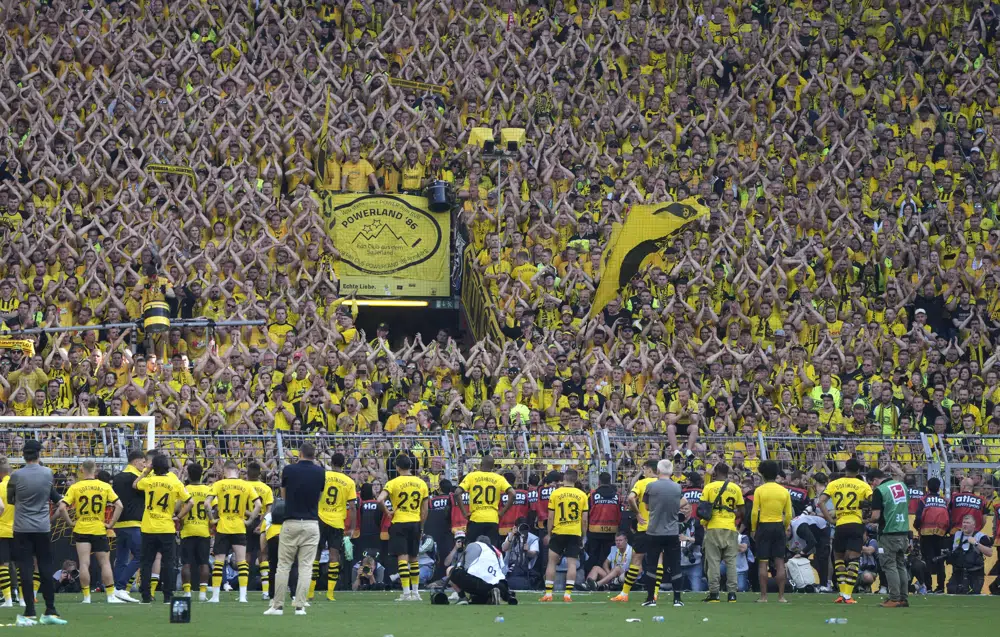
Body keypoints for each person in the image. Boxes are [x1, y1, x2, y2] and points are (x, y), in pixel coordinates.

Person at [7, 440, 65, 626]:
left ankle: (29, 611)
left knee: (25, 568)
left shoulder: (16, 476)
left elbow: (10, 500)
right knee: (46, 567)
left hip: (22, 528)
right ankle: (50, 609)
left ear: (24, 455)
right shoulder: (48, 473)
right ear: (39, 454)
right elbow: (53, 495)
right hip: (42, 527)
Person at [57, 460, 132, 604]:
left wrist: (70, 522)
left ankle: (86, 597)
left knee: (84, 563)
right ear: (95, 470)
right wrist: (110, 524)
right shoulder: (104, 486)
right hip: (99, 528)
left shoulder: (76, 487)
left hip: (82, 528)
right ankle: (110, 596)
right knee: (104, 563)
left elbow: (61, 508)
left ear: (81, 469)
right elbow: (119, 505)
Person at [266, 442, 325, 616]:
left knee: (283, 566)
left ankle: (277, 606)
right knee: (306, 567)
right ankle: (300, 605)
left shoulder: (289, 470)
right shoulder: (320, 472)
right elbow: (319, 497)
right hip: (311, 523)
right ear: (314, 455)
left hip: (291, 521)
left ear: (299, 454)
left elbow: (283, 495)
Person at [133, 453, 192, 604]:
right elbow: (190, 502)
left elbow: (135, 484)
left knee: (146, 562)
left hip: (149, 527)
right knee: (169, 563)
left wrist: (145, 472)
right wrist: (178, 517)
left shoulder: (148, 481)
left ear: (153, 466)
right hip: (166, 527)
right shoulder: (175, 482)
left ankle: (146, 596)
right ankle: (168, 595)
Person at [816, 458, 873, 604]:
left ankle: (841, 593)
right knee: (853, 560)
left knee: (839, 559)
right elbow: (873, 502)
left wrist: (829, 519)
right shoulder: (863, 485)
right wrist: (868, 518)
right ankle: (848, 595)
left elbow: (820, 501)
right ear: (859, 471)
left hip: (840, 524)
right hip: (856, 524)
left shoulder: (834, 484)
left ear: (845, 469)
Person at [206, 460, 261, 603]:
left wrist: (212, 519)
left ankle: (216, 596)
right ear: (237, 471)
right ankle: (243, 596)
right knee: (242, 561)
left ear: (224, 472)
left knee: (219, 562)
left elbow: (207, 504)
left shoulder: (219, 484)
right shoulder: (245, 485)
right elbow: (258, 505)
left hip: (223, 526)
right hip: (239, 526)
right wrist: (249, 521)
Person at [377, 454, 429, 602]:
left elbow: (380, 499)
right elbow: (425, 510)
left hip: (399, 522)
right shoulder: (421, 483)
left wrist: (387, 512)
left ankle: (406, 594)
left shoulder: (393, 483)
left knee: (402, 557)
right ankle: (416, 593)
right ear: (411, 466)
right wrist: (421, 525)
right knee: (414, 558)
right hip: (415, 522)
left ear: (397, 467)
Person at [642, 459, 689, 608]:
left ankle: (650, 599)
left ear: (658, 470)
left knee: (651, 566)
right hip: (672, 532)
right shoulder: (676, 487)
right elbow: (685, 501)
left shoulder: (651, 486)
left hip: (654, 531)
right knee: (675, 565)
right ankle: (677, 599)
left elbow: (647, 507)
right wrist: (674, 508)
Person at [611, 459, 657, 603]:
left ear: (649, 470)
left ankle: (624, 594)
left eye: (644, 469)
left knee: (636, 561)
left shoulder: (642, 483)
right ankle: (655, 594)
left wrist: (637, 513)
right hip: (660, 528)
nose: (643, 471)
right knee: (658, 561)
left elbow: (631, 498)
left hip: (644, 528)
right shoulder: (665, 484)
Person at [314, 452, 357, 601]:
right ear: (343, 464)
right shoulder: (349, 482)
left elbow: (316, 495)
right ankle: (330, 593)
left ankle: (310, 592)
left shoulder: (323, 476)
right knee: (334, 556)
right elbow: (352, 507)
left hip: (320, 518)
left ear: (331, 463)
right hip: (337, 522)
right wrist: (352, 527)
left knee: (316, 555)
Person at [539, 469, 587, 603]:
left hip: (558, 531)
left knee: (552, 562)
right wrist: (583, 535)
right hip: (574, 532)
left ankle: (548, 594)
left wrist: (549, 533)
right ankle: (568, 595)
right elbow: (584, 519)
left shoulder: (556, 493)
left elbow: (550, 517)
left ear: (563, 479)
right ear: (576, 479)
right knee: (572, 563)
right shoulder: (582, 495)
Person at [700, 463, 744, 603]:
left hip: (713, 527)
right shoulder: (735, 488)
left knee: (713, 562)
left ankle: (714, 594)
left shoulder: (709, 487)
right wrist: (731, 515)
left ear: (716, 471)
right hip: (730, 528)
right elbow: (742, 511)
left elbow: (702, 509)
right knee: (731, 562)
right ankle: (732, 594)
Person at [867, 468, 911, 608]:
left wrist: (865, 520)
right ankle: (903, 597)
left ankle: (894, 598)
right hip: (903, 531)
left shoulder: (880, 491)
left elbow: (876, 517)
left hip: (888, 532)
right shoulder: (902, 485)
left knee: (889, 565)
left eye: (871, 483)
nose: (872, 486)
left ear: (874, 480)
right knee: (900, 565)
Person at [750, 460, 793, 603]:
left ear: (762, 474)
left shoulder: (759, 490)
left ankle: (764, 597)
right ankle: (781, 597)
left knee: (763, 563)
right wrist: (785, 526)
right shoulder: (784, 491)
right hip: (778, 526)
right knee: (780, 562)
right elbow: (788, 514)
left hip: (764, 526)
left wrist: (754, 528)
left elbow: (755, 513)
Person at [454, 456, 514, 549]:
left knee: (472, 548)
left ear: (481, 464)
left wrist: (464, 513)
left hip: (475, 518)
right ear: (493, 467)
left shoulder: (472, 476)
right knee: (491, 549)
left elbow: (457, 493)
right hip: (492, 518)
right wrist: (502, 512)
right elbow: (513, 494)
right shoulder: (499, 478)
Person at [111, 450, 145, 601]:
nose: (144, 465)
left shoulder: (117, 478)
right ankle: (120, 586)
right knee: (141, 555)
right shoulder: (138, 479)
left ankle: (117, 592)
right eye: (143, 462)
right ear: (136, 462)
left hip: (119, 523)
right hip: (134, 522)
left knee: (121, 558)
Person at [446, 536, 513, 605]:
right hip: (500, 585)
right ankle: (491, 595)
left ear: (478, 541)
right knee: (478, 600)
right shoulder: (497, 551)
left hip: (477, 583)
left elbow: (466, 567)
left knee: (449, 570)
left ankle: (462, 597)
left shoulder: (474, 545)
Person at [913, 477, 950, 595]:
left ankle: (928, 586)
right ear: (939, 488)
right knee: (940, 561)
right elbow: (950, 518)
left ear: (927, 487)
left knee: (927, 561)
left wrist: (917, 527)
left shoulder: (924, 500)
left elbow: (918, 517)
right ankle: (940, 587)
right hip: (940, 534)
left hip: (926, 534)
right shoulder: (944, 501)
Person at [179, 463, 211, 601]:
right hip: (203, 530)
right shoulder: (208, 490)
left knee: (186, 563)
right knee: (204, 562)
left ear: (188, 475)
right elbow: (212, 509)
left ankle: (187, 592)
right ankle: (203, 593)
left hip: (188, 530)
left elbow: (177, 509)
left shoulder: (184, 490)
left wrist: (180, 521)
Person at [585, 472, 622, 576]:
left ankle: (590, 577)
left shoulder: (592, 495)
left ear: (599, 482)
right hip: (611, 531)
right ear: (610, 481)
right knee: (608, 557)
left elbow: (587, 513)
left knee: (592, 556)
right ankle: (608, 579)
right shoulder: (617, 496)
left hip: (594, 531)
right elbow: (620, 514)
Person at [947, 514, 994, 595]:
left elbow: (989, 553)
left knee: (973, 593)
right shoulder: (956, 535)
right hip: (958, 572)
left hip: (975, 573)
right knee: (952, 590)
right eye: (964, 522)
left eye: (968, 523)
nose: (965, 525)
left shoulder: (981, 537)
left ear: (973, 525)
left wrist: (976, 543)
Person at [502, 520, 540, 590]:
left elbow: (534, 554)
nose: (523, 529)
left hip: (526, 568)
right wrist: (511, 536)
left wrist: (527, 551)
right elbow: (504, 549)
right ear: (515, 527)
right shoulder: (511, 535)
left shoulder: (533, 538)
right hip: (509, 567)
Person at [0, 458, 15, 607]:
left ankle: (8, 599)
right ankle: (23, 600)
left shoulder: (0, 487)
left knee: (3, 565)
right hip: (20, 529)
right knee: (20, 565)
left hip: (3, 530)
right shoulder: (20, 486)